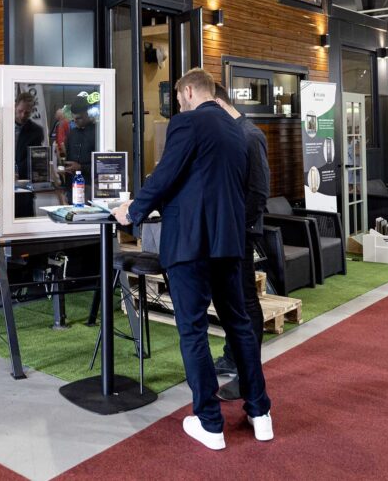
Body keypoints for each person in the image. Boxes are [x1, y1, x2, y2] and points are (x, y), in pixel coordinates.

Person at [112, 69, 272, 450]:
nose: (177, 105)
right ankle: (261, 412)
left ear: (187, 91)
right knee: (239, 326)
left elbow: (165, 176)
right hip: (229, 244)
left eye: (178, 97)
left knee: (193, 330)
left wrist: (132, 210)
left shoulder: (186, 124)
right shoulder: (237, 129)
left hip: (190, 245)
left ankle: (210, 422)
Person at [211, 84, 269, 402]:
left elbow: (258, 192)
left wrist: (238, 227)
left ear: (219, 103)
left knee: (245, 302)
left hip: (241, 234)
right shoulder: (230, 134)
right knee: (229, 299)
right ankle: (232, 357)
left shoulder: (250, 135)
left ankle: (248, 376)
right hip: (227, 232)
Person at [63, 96, 96, 202]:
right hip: (72, 185)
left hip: (91, 185)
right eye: (73, 119)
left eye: (79, 118)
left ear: (87, 114)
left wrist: (81, 167)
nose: (75, 121)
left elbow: (102, 164)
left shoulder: (97, 133)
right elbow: (68, 160)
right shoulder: (72, 134)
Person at [13, 92, 44, 180]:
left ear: (32, 111)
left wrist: (17, 172)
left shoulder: (36, 131)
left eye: (27, 113)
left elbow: (33, 158)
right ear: (15, 106)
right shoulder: (3, 126)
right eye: (20, 111)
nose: (23, 115)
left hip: (24, 178)